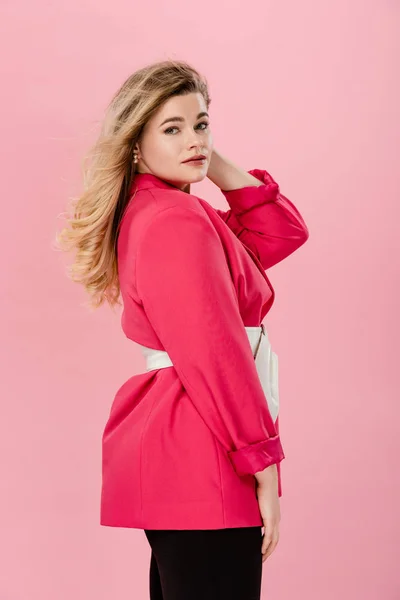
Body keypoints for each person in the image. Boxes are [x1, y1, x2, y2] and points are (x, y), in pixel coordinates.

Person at [56, 59, 309, 600]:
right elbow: (216, 354)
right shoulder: (176, 221)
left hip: (192, 447)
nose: (194, 139)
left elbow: (281, 233)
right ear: (135, 145)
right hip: (209, 450)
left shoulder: (162, 210)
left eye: (201, 124)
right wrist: (263, 462)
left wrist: (204, 160)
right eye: (172, 128)